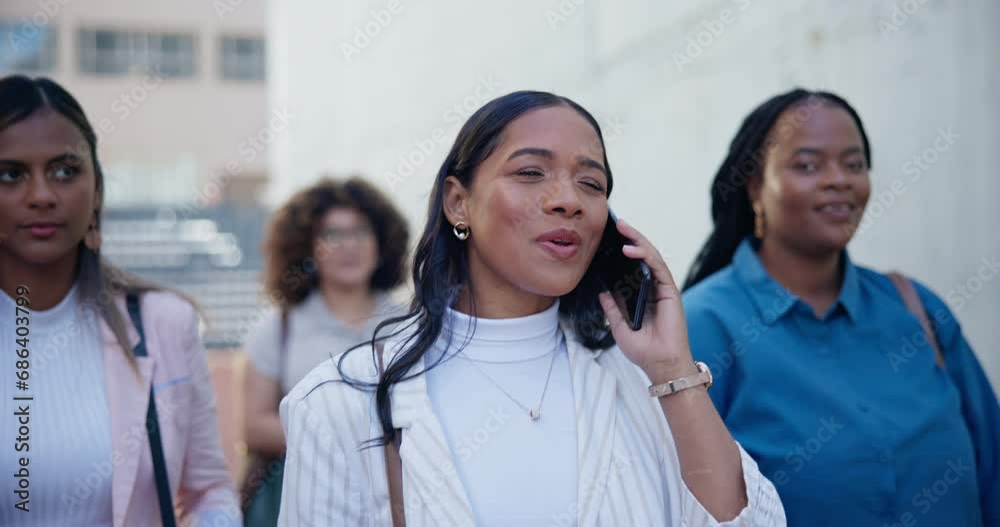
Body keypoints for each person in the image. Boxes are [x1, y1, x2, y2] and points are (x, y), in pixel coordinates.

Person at [278, 91, 785, 526]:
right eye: (530, 172)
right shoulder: (341, 401)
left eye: (591, 183)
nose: (567, 199)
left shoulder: (641, 385)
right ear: (458, 203)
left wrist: (673, 368)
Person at [682, 88, 999, 526]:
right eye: (808, 165)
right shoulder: (702, 325)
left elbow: (993, 470)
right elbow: (680, 500)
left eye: (854, 164)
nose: (839, 180)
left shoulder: (917, 309)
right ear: (755, 185)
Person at [0, 75, 240, 525]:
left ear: (96, 192)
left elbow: (209, 490)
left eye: (65, 170)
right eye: (11, 174)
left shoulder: (164, 323)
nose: (42, 195)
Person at [241, 177, 409, 524]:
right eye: (332, 235)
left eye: (361, 232)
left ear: (381, 243)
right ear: (308, 249)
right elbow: (254, 426)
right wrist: (345, 437)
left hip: (399, 497)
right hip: (307, 498)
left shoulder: (409, 324)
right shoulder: (278, 328)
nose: (349, 245)